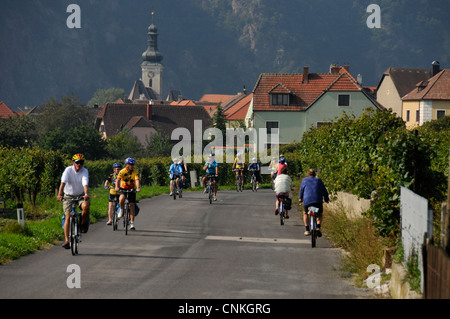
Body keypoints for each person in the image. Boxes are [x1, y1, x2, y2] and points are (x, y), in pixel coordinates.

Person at [57, 153, 90, 249]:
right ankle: (67, 240)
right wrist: (60, 195)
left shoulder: (84, 171)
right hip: (68, 196)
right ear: (73, 163)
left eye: (81, 162)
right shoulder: (68, 170)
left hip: (80, 195)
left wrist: (86, 194)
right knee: (68, 217)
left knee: (85, 207)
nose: (79, 164)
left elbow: (85, 183)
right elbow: (62, 183)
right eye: (77, 162)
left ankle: (82, 224)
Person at [299, 169, 330, 236]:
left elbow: (301, 190)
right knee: (319, 214)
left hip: (307, 201)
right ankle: (318, 227)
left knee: (305, 213)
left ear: (307, 175)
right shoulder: (319, 180)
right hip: (317, 201)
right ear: (315, 174)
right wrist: (326, 199)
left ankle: (307, 230)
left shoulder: (304, 180)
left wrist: (300, 198)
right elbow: (324, 191)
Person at [115, 157, 141, 230]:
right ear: (127, 165)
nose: (133, 166)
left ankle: (132, 223)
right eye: (131, 164)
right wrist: (117, 187)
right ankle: (121, 209)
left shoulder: (135, 171)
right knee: (121, 198)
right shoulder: (122, 171)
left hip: (132, 189)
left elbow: (137, 180)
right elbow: (118, 180)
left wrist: (138, 187)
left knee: (132, 205)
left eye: (133, 164)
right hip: (123, 188)